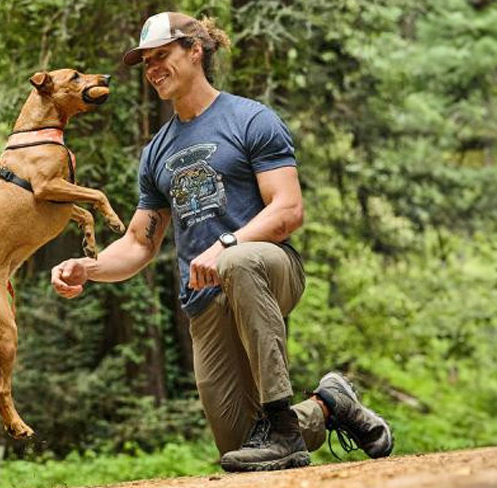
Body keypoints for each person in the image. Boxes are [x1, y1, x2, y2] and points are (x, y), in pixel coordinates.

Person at [51, 12, 393, 471]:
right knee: (239, 446)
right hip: (203, 301)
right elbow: (139, 242)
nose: (152, 69)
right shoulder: (156, 152)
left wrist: (226, 243)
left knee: (237, 262)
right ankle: (327, 406)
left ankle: (281, 422)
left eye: (162, 56)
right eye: (146, 62)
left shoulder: (250, 119)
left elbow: (288, 210)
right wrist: (88, 268)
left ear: (196, 50)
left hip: (269, 271)